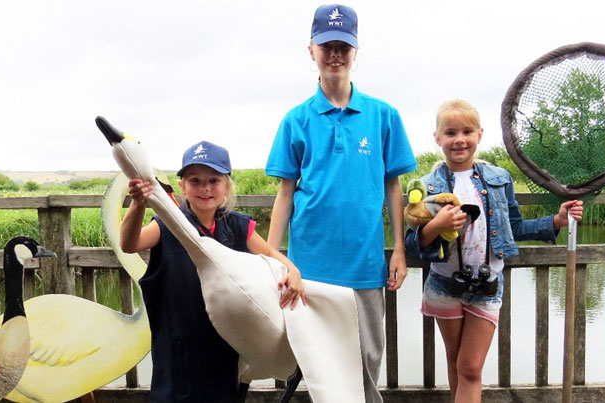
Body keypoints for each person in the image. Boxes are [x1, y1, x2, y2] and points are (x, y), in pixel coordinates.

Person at [265, 4, 417, 402]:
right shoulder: (295, 120)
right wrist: (274, 258)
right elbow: (284, 194)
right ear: (311, 49)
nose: (335, 55)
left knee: (366, 362)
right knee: (317, 367)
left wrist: (398, 249)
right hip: (308, 269)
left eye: (343, 47)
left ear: (355, 52)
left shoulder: (384, 116)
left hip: (365, 266)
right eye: (327, 46)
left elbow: (394, 186)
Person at [405, 99, 583, 402]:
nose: (459, 139)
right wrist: (437, 225)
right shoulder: (425, 186)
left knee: (470, 367)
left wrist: (556, 221)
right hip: (444, 286)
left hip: (487, 286)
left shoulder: (498, 179)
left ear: (480, 134)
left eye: (466, 131)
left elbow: (515, 228)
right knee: (455, 363)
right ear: (437, 138)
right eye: (450, 133)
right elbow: (412, 245)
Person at [120, 140, 305, 403]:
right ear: (182, 185)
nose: (205, 188)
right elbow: (129, 244)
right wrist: (138, 204)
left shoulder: (240, 227)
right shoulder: (167, 226)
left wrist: (294, 273)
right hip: (178, 355)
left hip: (226, 353)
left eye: (214, 180)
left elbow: (273, 258)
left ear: (227, 185)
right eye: (195, 180)